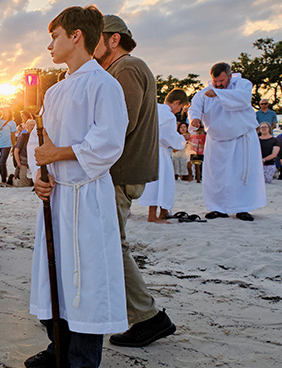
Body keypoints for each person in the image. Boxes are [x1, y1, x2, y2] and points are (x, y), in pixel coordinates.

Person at [26, 6, 129, 368]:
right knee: (56, 275)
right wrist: (41, 176)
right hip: (57, 196)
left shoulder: (104, 85)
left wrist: (59, 156)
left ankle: (86, 364)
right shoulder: (54, 90)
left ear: (76, 37)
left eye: (55, 36)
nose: (49, 44)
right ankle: (60, 346)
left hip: (86, 195)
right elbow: (43, 145)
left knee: (86, 277)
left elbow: (108, 143)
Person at [93, 14, 176, 347]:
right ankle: (142, 314)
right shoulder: (119, 69)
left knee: (112, 245)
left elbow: (119, 125)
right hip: (121, 171)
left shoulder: (127, 68)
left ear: (114, 39)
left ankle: (149, 317)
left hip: (121, 172)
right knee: (110, 244)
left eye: (95, 37)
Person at [188, 62, 267, 221]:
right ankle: (217, 208)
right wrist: (195, 118)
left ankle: (242, 209)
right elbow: (194, 107)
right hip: (216, 140)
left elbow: (243, 99)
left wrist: (219, 95)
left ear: (230, 76)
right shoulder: (205, 92)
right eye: (215, 81)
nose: (218, 84)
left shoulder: (243, 85)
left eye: (221, 81)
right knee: (216, 176)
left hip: (241, 138)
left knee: (241, 175)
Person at [139, 88, 188, 223]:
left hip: (147, 150)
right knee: (161, 181)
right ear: (176, 102)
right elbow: (169, 137)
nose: (179, 111)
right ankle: (153, 215)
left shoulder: (152, 108)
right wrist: (182, 140)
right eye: (181, 107)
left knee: (157, 181)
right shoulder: (168, 116)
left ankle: (163, 212)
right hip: (159, 152)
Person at [0, 111, 18, 185]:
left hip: (7, 145)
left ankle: (4, 180)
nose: (5, 113)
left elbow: (13, 135)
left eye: (6, 111)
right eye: (4, 111)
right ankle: (2, 179)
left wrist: (14, 146)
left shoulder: (12, 123)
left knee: (2, 161)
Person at [12, 119, 36, 187]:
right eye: (31, 125)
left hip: (35, 162)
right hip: (24, 162)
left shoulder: (38, 137)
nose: (33, 127)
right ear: (26, 127)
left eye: (34, 125)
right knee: (23, 181)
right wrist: (19, 164)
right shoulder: (23, 136)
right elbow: (16, 151)